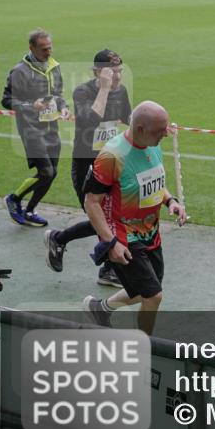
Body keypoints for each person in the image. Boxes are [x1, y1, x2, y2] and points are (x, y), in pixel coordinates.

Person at [82, 101, 187, 334]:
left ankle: (101, 308)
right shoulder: (112, 156)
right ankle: (145, 344)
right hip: (124, 237)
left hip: (150, 233)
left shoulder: (152, 144)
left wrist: (170, 201)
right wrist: (110, 242)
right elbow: (92, 202)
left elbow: (154, 179)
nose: (165, 134)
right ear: (140, 128)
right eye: (160, 130)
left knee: (144, 289)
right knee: (153, 295)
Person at [44, 49, 131, 288]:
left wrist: (154, 127)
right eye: (111, 72)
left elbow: (128, 117)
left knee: (113, 219)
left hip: (111, 163)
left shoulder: (121, 91)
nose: (117, 77)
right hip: (86, 165)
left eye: (120, 72)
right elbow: (90, 120)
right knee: (101, 219)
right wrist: (103, 89)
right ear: (97, 72)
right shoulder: (83, 92)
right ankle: (60, 239)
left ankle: (105, 267)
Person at [1, 29, 72, 227]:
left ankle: (30, 210)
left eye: (50, 48)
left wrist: (64, 108)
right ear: (31, 48)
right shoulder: (19, 71)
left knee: (53, 172)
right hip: (31, 129)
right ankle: (14, 198)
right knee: (46, 172)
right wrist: (30, 106)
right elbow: (6, 100)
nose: (48, 52)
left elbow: (58, 94)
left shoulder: (54, 66)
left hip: (51, 127)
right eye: (43, 49)